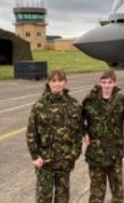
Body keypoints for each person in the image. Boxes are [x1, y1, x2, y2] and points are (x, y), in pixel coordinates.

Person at [27, 70, 83, 203]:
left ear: (65, 82)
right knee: (43, 197)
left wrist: (74, 154)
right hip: (45, 160)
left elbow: (78, 132)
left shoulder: (74, 105)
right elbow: (31, 132)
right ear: (49, 82)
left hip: (65, 160)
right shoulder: (40, 105)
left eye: (60, 80)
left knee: (62, 197)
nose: (57, 84)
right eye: (54, 81)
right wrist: (35, 156)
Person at [81, 71, 124, 203]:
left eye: (110, 82)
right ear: (100, 83)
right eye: (104, 82)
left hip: (115, 152)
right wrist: (85, 132)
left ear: (115, 83)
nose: (107, 85)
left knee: (117, 189)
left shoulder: (121, 100)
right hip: (96, 152)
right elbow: (79, 118)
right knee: (97, 190)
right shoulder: (90, 100)